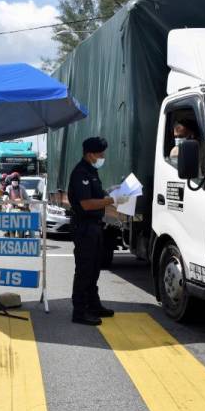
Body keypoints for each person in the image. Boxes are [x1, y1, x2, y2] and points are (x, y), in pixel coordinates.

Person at [67, 137, 129, 325]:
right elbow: (86, 204)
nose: (103, 157)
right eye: (100, 154)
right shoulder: (81, 173)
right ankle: (79, 311)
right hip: (84, 227)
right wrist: (113, 200)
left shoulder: (92, 171)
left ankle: (93, 305)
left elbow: (97, 195)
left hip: (95, 226)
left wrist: (112, 192)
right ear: (90, 154)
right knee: (85, 269)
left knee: (94, 269)